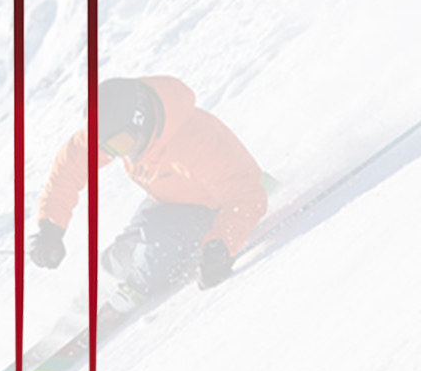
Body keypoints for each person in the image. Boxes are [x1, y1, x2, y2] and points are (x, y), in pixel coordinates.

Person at [30, 76, 267, 295]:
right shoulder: (117, 131)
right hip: (169, 201)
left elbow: (248, 193)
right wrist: (51, 227)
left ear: (140, 120)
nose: (121, 154)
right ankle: (99, 291)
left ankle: (136, 289)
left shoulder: (194, 139)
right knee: (121, 255)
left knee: (154, 258)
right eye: (110, 149)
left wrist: (222, 245)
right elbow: (70, 165)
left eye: (121, 144)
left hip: (216, 207)